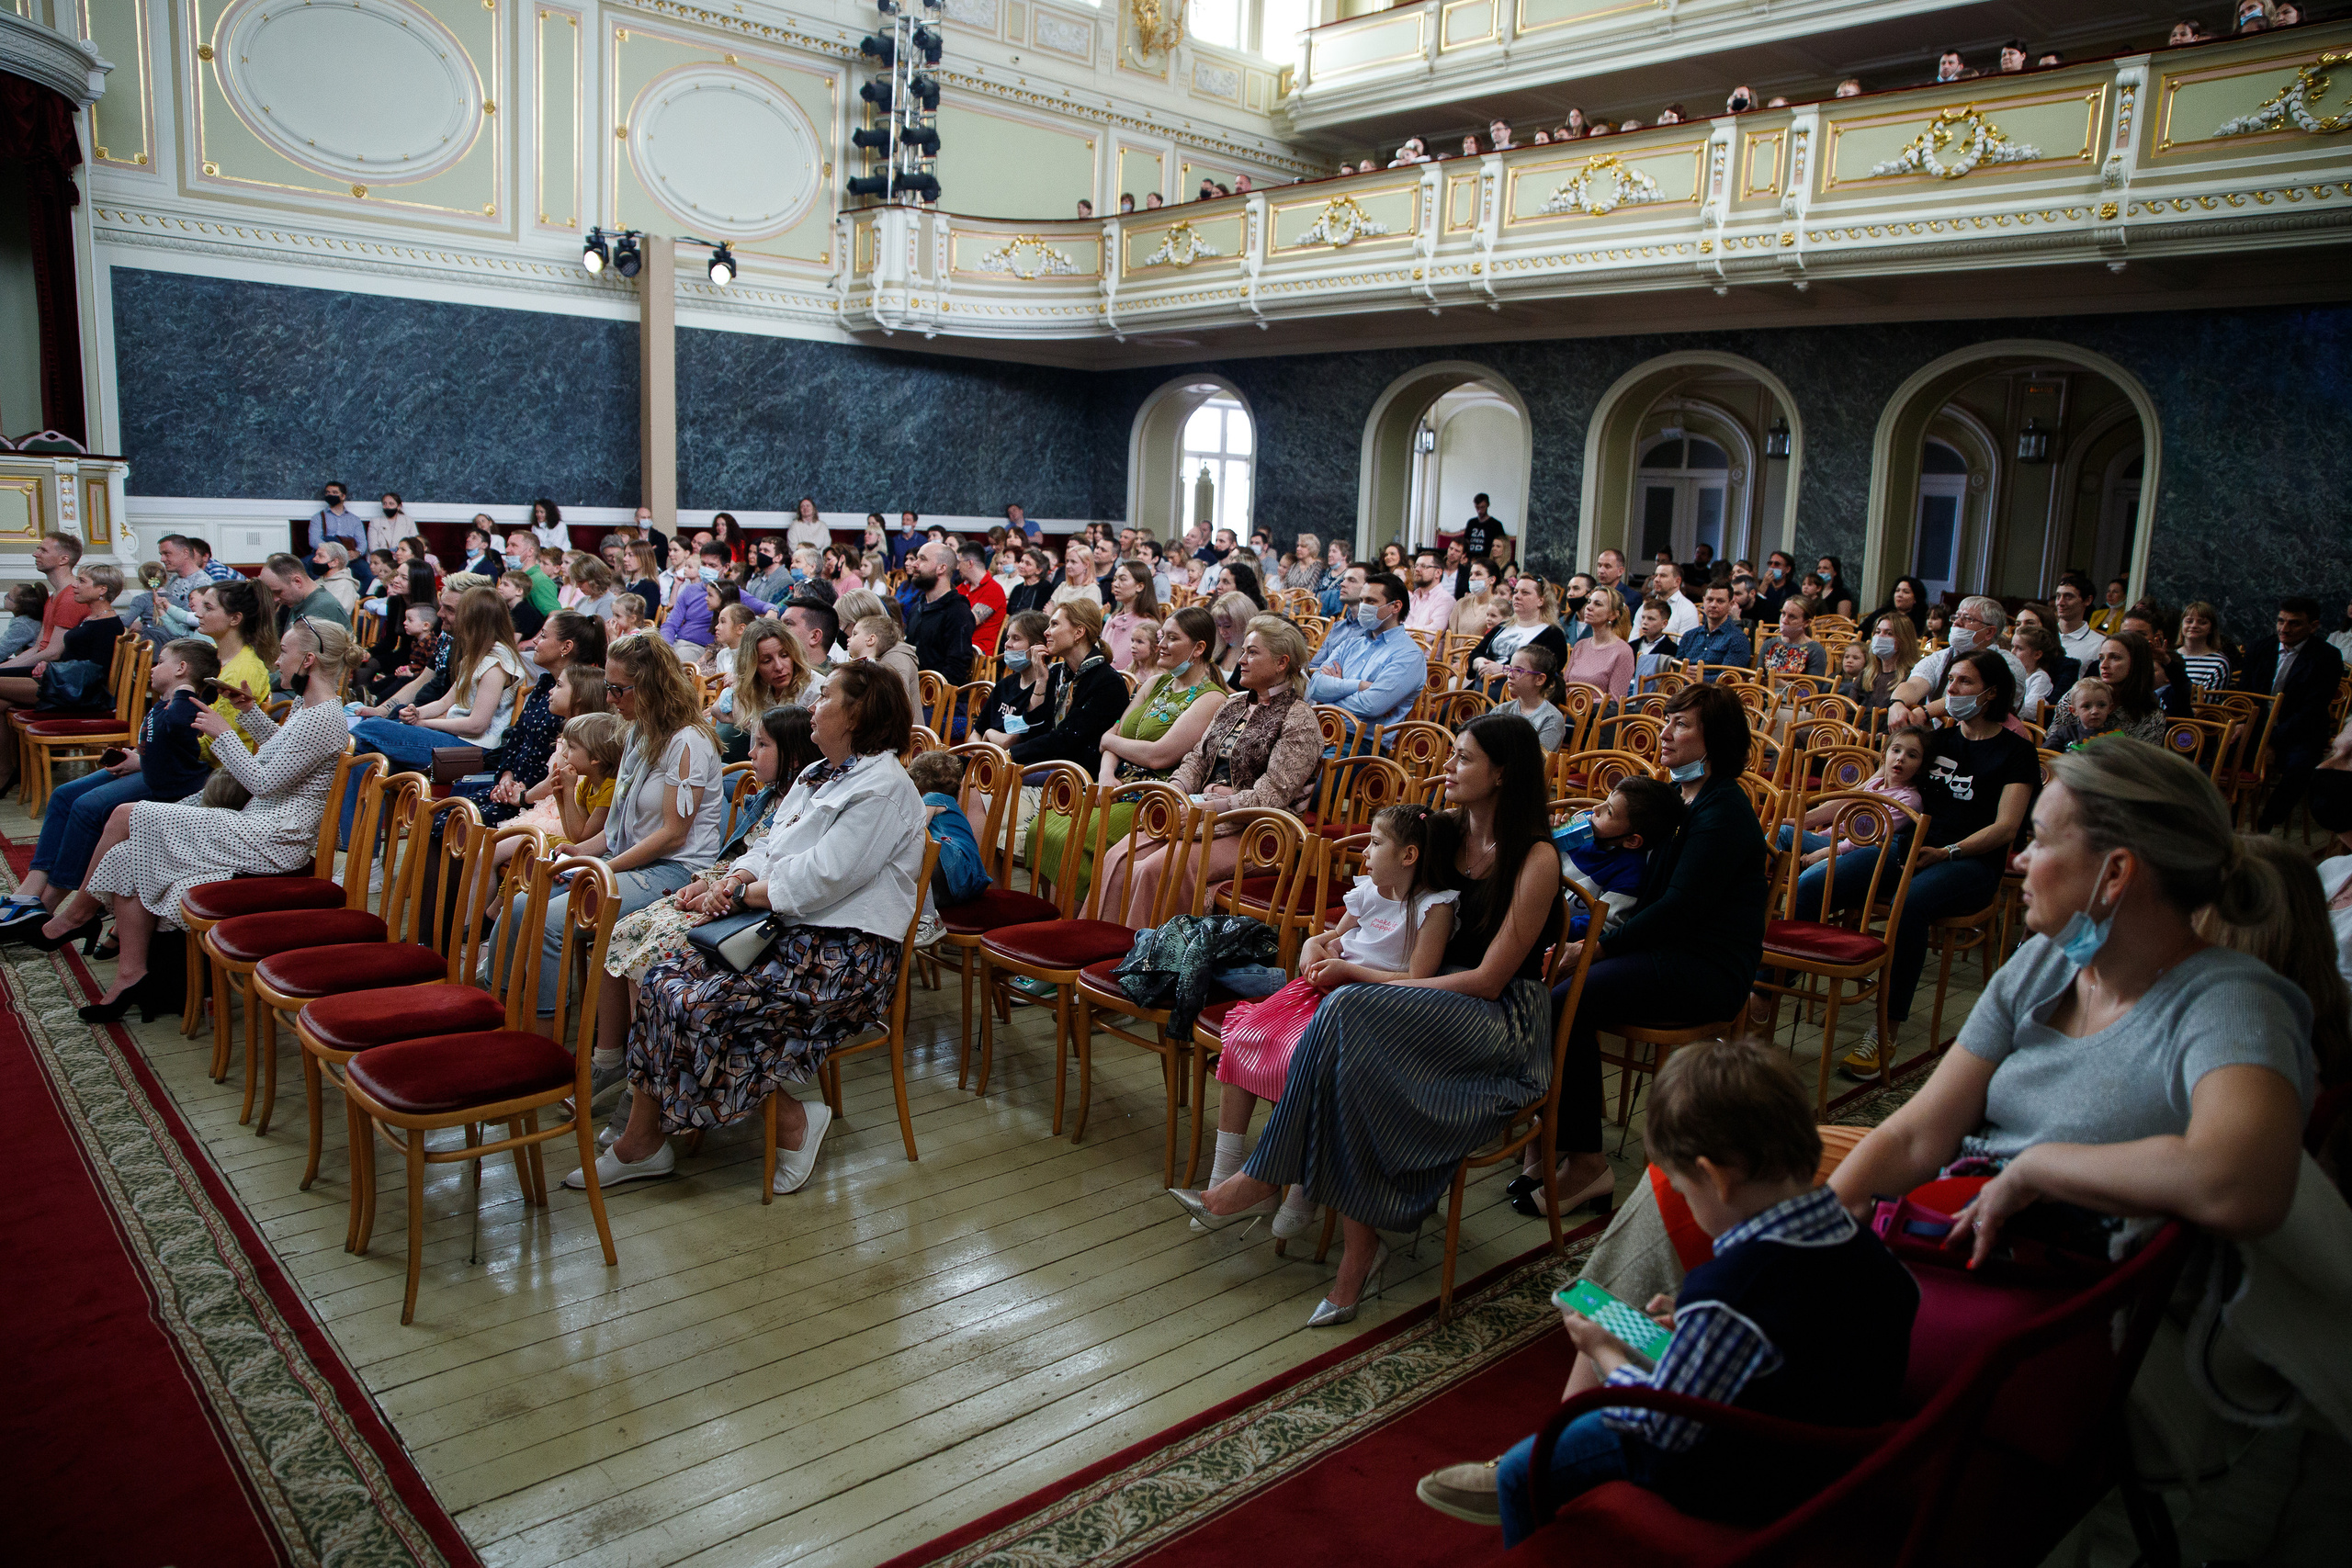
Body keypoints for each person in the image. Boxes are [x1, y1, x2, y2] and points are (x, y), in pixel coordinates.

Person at [1419, 1039, 1917, 1541]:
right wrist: (1703, 1330)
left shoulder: (1725, 1290)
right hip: (1838, 1459)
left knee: (1519, 1472)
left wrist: (1605, 1352)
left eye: (1680, 1187)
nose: (1680, 1198)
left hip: (1744, 1477)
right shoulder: (1868, 1243)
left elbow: (1666, 1427)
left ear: (1714, 1178)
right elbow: (1798, 1330)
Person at [1176, 711, 1563, 1325]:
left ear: (1503, 773)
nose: (1447, 767)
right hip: (1422, 1001)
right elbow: (1379, 901)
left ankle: (1265, 1174)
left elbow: (1490, 979)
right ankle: (1356, 1249)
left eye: (1463, 758)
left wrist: (1366, 977)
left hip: (1496, 1019)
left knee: (1349, 1005)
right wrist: (1328, 938)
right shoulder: (1442, 831)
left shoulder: (1535, 857)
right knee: (1353, 1062)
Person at [579, 661, 927, 1192]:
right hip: (790, 932)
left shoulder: (881, 789)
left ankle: (789, 1122)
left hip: (846, 954)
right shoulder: (819, 774)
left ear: (856, 713)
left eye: (826, 696)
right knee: (660, 981)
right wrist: (740, 873)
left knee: (700, 1005)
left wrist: (739, 892)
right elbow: (772, 846)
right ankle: (644, 1141)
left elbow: (820, 879)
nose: (814, 705)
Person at [44, 619, 368, 1021]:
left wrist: (224, 734)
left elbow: (264, 783)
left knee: (129, 813)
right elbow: (283, 755)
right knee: (127, 855)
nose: (276, 660)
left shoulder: (323, 717)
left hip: (277, 837)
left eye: (284, 652)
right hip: (260, 823)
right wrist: (248, 712)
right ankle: (131, 974)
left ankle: (77, 916)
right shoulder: (311, 708)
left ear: (308, 660)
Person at [1532, 685, 1767, 1218]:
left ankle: (1586, 1162)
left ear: (1717, 740)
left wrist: (1593, 949)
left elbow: (1680, 908)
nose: (1664, 733)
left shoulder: (1722, 810)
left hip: (1703, 967)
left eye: (1681, 725)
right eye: (1667, 720)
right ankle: (1549, 1142)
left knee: (1565, 1000)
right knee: (1547, 984)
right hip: (1664, 950)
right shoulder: (1684, 796)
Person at [1203, 803, 1464, 1240]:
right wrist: (1312, 949)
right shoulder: (1369, 891)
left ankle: (1305, 1184)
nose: (1365, 853)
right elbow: (1329, 937)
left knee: (1307, 1061)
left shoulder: (1435, 907)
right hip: (1327, 990)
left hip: (1374, 1005)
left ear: (1409, 856)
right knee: (1246, 1036)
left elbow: (1418, 977)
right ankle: (1225, 1167)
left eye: (1376, 844)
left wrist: (1349, 972)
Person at [1809, 650, 2039, 1077]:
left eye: (1964, 683)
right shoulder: (1941, 741)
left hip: (1969, 862)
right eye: (1949, 680)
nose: (1951, 689)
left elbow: (2007, 828)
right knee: (1819, 880)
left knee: (1909, 905)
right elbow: (1890, 782)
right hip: (1909, 850)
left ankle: (1885, 1032)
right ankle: (1766, 995)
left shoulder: (2015, 751)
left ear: (1991, 693)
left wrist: (1948, 852)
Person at [1098, 616, 1320, 924]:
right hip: (1202, 812)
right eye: (1242, 651)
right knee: (1120, 856)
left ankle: (1146, 961)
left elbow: (1271, 797)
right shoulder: (1234, 704)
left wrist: (1213, 805)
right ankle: (1101, 955)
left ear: (1282, 662)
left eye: (1252, 653)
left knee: (1154, 868)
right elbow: (1197, 759)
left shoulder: (1300, 720)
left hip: (1258, 832)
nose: (1240, 660)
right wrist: (1176, 790)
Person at [0, 637, 219, 942]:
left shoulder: (187, 704)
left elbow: (203, 748)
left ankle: (50, 908)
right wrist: (140, 756)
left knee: (89, 807)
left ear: (182, 668)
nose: (154, 667)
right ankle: (30, 896)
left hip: (178, 786)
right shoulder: (167, 702)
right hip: (154, 769)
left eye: (161, 661)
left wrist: (145, 758)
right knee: (64, 796)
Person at [1037, 607, 1228, 898]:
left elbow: (1158, 756)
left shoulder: (1212, 697)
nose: (1161, 644)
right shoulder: (1154, 683)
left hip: (1154, 798)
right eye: (1162, 636)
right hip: (1116, 784)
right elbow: (1116, 730)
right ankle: (1051, 921)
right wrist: (1104, 774)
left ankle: (1075, 928)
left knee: (1070, 837)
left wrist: (1110, 743)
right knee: (1045, 828)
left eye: (1172, 638)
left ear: (1199, 648)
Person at [347, 586, 528, 771]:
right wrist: (417, 713)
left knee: (370, 729)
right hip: (455, 739)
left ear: (472, 620)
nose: (443, 615)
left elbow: (476, 726)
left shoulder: (496, 664)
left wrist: (423, 723)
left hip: (474, 749)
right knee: (369, 762)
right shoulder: (477, 655)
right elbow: (445, 702)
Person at [458, 612, 608, 828]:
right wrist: (505, 779)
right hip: (513, 792)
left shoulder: (583, 699)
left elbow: (562, 771)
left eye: (544, 636)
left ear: (566, 647)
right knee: (450, 811)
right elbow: (515, 739)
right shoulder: (545, 683)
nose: (536, 641)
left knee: (454, 823)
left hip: (538, 800)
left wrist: (521, 796)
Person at [2241, 596, 2345, 830]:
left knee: (2300, 768)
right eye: (2280, 621)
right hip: (2257, 727)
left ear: (2313, 626)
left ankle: (2266, 823)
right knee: (2222, 752)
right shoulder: (2260, 648)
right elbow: (2245, 697)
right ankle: (2229, 818)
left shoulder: (2327, 657)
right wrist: (2257, 733)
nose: (2284, 629)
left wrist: (2272, 740)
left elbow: (2312, 709)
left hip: (2300, 733)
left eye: (2294, 623)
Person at [1004, 599, 1128, 774]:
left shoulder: (1107, 682)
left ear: (1079, 632)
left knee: (986, 777)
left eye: (1054, 624)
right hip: (1046, 765)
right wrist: (1040, 681)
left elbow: (1065, 739)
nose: (1046, 632)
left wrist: (1009, 754)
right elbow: (1031, 729)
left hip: (1075, 778)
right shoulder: (1056, 673)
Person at [1306, 573, 1428, 741]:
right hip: (1319, 732)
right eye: (1362, 600)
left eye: (1371, 601)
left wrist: (1332, 693)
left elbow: (1371, 706)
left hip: (1360, 743)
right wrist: (1359, 686)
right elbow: (1315, 687)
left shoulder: (1409, 655)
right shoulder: (1350, 645)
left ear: (1396, 606)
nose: (1363, 606)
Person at [1555, 777, 1680, 940]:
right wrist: (1548, 832)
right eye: (1605, 800)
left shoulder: (1630, 873)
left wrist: (1549, 924)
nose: (1596, 808)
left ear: (1632, 840)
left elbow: (1602, 926)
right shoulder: (1582, 826)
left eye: (1609, 812)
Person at [1781, 727, 1928, 864]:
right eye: (1896, 750)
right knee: (1783, 832)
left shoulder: (1909, 799)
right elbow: (1846, 821)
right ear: (1883, 755)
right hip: (1835, 842)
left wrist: (1828, 851)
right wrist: (1820, 836)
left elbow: (1875, 835)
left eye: (1911, 755)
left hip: (1851, 852)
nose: (1901, 758)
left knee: (1801, 862)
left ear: (1921, 768)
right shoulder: (1875, 784)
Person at [1886, 595, 2024, 729]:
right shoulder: (1940, 657)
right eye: (1956, 617)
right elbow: (1914, 685)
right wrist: (1897, 703)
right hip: (1939, 737)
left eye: (1967, 619)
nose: (1957, 623)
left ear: (1989, 632)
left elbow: (1968, 699)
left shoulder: (2008, 664)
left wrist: (1926, 712)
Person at [2047, 632, 2167, 744]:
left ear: (2136, 663)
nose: (2103, 665)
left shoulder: (2151, 716)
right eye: (2101, 658)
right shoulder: (2077, 695)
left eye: (2115, 658)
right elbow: (2051, 744)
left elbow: (2140, 763)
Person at [1466, 575, 1567, 685]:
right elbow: (1476, 653)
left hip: (1515, 695)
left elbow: (1545, 671)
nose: (1517, 597)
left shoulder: (1553, 634)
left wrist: (1503, 669)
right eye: (1515, 592)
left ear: (1541, 600)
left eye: (1525, 593)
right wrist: (1482, 664)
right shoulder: (1503, 626)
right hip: (1482, 686)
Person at [1563, 587, 1635, 702]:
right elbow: (1565, 686)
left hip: (1597, 717)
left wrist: (1579, 703)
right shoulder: (1580, 645)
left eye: (1598, 604)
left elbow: (1615, 701)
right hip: (1569, 713)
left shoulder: (1623, 651)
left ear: (1612, 615)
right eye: (1589, 602)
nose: (1589, 607)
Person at [257, 553, 349, 641]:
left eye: (278, 592)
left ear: (297, 581)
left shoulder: (321, 608)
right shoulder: (299, 601)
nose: (275, 599)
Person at [1674, 581, 1751, 673]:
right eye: (1709, 600)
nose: (1713, 605)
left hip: (1714, 687)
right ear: (1703, 601)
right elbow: (1676, 668)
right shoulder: (1689, 635)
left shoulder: (1738, 639)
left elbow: (1729, 678)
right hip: (1683, 684)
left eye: (1720, 601)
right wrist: (1683, 672)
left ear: (1731, 604)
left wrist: (1699, 678)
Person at [1501, 646, 1567, 751]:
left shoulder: (1552, 719)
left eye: (1518, 670)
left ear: (1540, 679)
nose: (1509, 675)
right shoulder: (1501, 710)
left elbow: (1535, 760)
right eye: (1509, 669)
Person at [1102, 560, 1162, 673]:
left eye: (1122, 579)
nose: (1115, 584)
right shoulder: (1113, 619)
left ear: (1139, 586)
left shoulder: (1148, 625)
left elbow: (1148, 669)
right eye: (1115, 579)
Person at [2179, 600, 2240, 692]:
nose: (2194, 625)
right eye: (2189, 621)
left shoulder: (2219, 663)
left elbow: (2209, 704)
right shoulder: (2170, 657)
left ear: (2211, 629)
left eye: (2202, 622)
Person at [307, 481, 368, 560]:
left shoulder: (355, 519)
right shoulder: (318, 517)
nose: (330, 495)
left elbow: (362, 542)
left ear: (343, 496)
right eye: (328, 492)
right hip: (326, 555)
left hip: (348, 555)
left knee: (367, 571)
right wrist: (333, 551)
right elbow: (314, 540)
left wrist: (357, 553)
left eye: (334, 492)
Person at [1404, 550, 1456, 635]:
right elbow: (1396, 627)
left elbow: (1430, 633)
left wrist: (1405, 628)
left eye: (1423, 566)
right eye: (1416, 566)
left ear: (1438, 573)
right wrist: (1421, 628)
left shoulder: (1445, 600)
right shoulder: (1412, 597)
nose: (1417, 569)